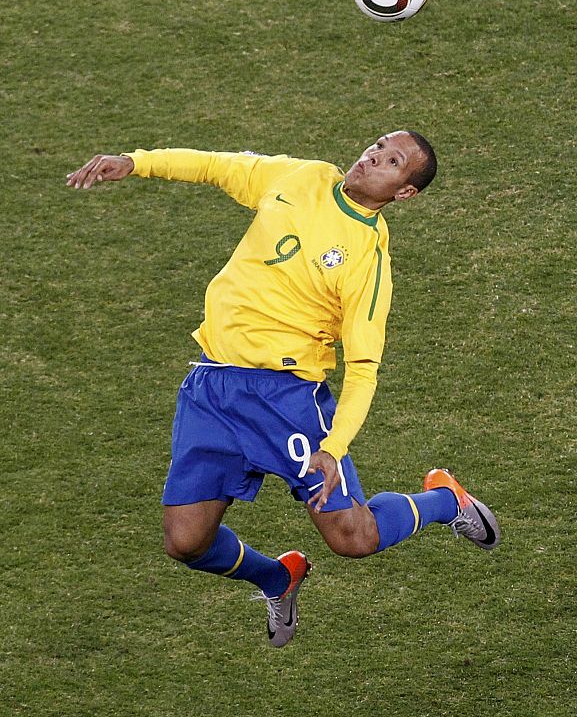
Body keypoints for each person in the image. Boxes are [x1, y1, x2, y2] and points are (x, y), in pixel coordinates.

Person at [66, 131, 500, 648]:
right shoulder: (302, 177)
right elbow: (215, 162)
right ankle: (278, 577)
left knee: (352, 539)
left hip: (286, 400)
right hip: (214, 388)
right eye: (378, 145)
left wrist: (333, 448)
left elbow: (363, 369)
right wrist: (134, 162)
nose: (372, 157)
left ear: (403, 192)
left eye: (391, 161)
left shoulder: (368, 262)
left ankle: (444, 500)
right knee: (185, 542)